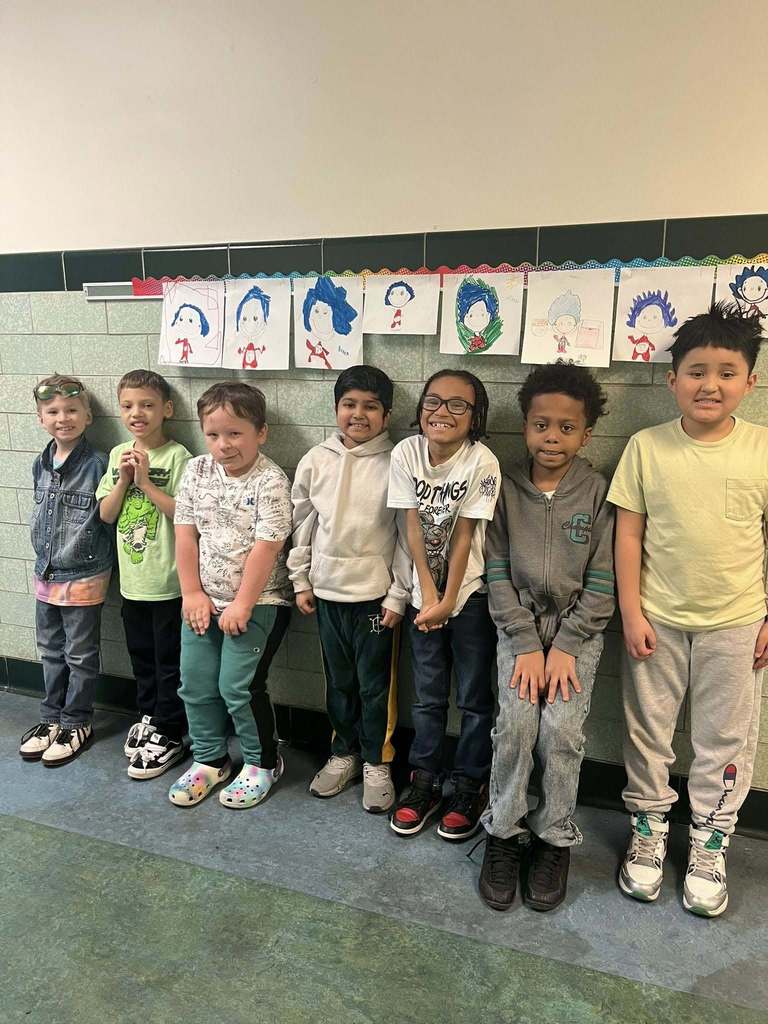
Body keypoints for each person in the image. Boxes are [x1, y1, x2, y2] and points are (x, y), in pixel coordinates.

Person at [609, 302, 768, 917]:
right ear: (672, 379)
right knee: (648, 732)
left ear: (749, 382)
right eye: (697, 371)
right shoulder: (647, 447)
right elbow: (628, 533)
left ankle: (711, 839)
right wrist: (630, 611)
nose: (710, 384)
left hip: (737, 622)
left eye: (727, 372)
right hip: (656, 618)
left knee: (723, 738)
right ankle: (648, 833)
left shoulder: (760, 447)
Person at [478, 363, 614, 912]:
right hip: (519, 631)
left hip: (576, 637)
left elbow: (605, 580)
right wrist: (527, 642)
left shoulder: (600, 490)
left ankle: (555, 837)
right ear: (525, 426)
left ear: (586, 433)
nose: (551, 437)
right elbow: (494, 570)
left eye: (565, 427)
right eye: (540, 425)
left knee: (559, 733)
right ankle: (504, 832)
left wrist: (566, 644)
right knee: (514, 728)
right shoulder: (505, 489)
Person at [288, 365, 410, 814]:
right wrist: (301, 579)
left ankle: (378, 761)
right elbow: (301, 522)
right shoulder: (315, 459)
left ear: (387, 414)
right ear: (337, 408)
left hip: (377, 600)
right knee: (339, 682)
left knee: (376, 686)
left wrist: (398, 595)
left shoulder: (398, 462)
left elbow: (405, 535)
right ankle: (344, 754)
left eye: (370, 406)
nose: (358, 414)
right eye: (349, 404)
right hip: (326, 595)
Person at [387, 370, 500, 840]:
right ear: (419, 410)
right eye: (434, 401)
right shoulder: (406, 452)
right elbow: (411, 525)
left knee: (475, 698)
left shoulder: (482, 461)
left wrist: (449, 598)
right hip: (421, 599)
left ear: (475, 418)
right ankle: (425, 781)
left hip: (469, 596)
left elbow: (465, 535)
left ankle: (469, 784)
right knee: (428, 696)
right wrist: (427, 596)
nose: (443, 413)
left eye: (459, 405)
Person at [169, 383, 293, 809]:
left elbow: (268, 546)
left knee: (237, 687)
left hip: (259, 601)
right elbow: (184, 533)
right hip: (202, 600)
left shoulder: (272, 480)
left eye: (235, 434)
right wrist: (191, 593)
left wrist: (241, 603)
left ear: (261, 432)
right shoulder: (197, 471)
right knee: (196, 683)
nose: (223, 445)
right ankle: (209, 760)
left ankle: (262, 763)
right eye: (214, 434)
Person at [97, 369, 191, 779]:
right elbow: (107, 513)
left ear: (166, 410)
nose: (138, 413)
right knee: (142, 659)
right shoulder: (118, 453)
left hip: (169, 585)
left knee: (170, 661)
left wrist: (147, 481)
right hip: (132, 585)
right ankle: (150, 715)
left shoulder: (179, 457)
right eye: (129, 406)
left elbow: (185, 515)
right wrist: (123, 479)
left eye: (148, 405)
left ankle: (173, 727)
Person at [19, 376, 114, 767]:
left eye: (72, 411)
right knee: (51, 652)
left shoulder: (97, 465)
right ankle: (50, 719)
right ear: (41, 419)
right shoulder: (40, 464)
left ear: (88, 416)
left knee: (79, 654)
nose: (64, 419)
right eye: (54, 412)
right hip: (46, 574)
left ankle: (77, 721)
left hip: (83, 576)